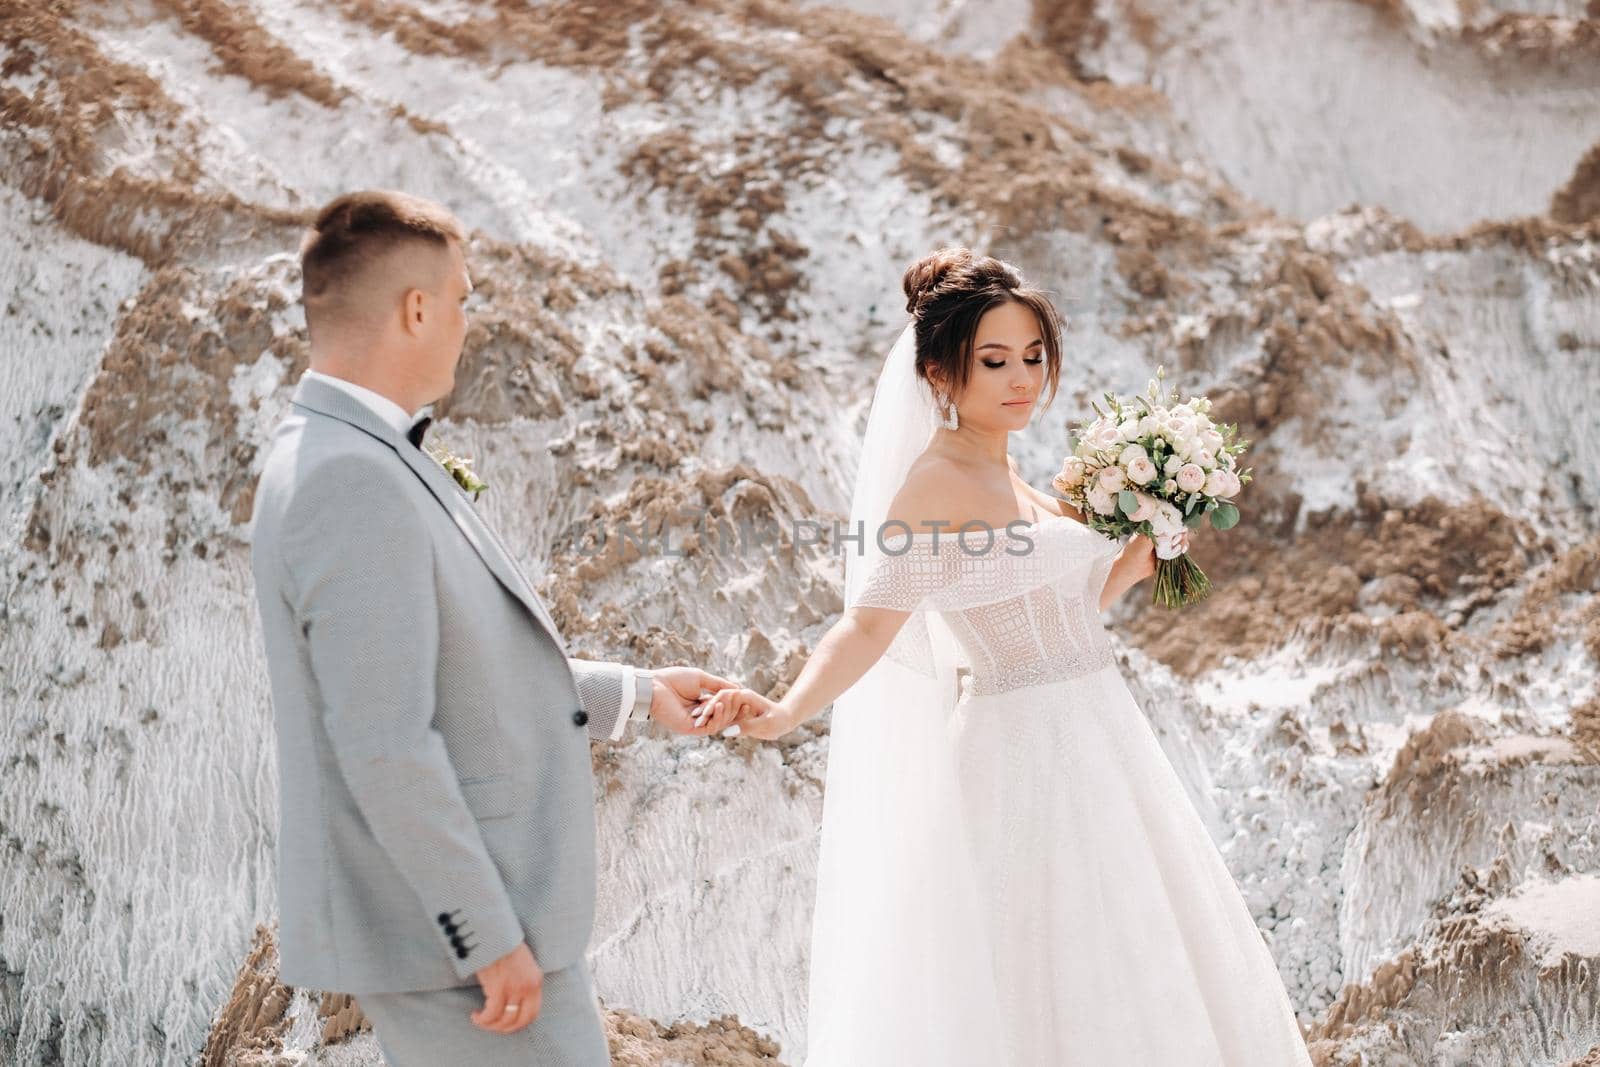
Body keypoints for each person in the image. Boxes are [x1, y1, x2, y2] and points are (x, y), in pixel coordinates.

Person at [698, 248, 1314, 1064]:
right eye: (994, 360)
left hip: (1103, 740)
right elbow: (869, 625)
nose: (1021, 377)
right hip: (1020, 754)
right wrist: (782, 713)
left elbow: (1055, 610)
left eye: (1032, 357)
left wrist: (1138, 559)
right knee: (1034, 974)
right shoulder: (935, 484)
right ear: (938, 372)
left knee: (1129, 960)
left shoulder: (1015, 471)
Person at [247, 189, 752, 1065]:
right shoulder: (348, 479)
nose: (466, 321)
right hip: (459, 945)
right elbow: (384, 742)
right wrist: (484, 936)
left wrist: (634, 691)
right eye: (463, 299)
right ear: (416, 309)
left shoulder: (353, 450)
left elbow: (459, 672)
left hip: (475, 931)